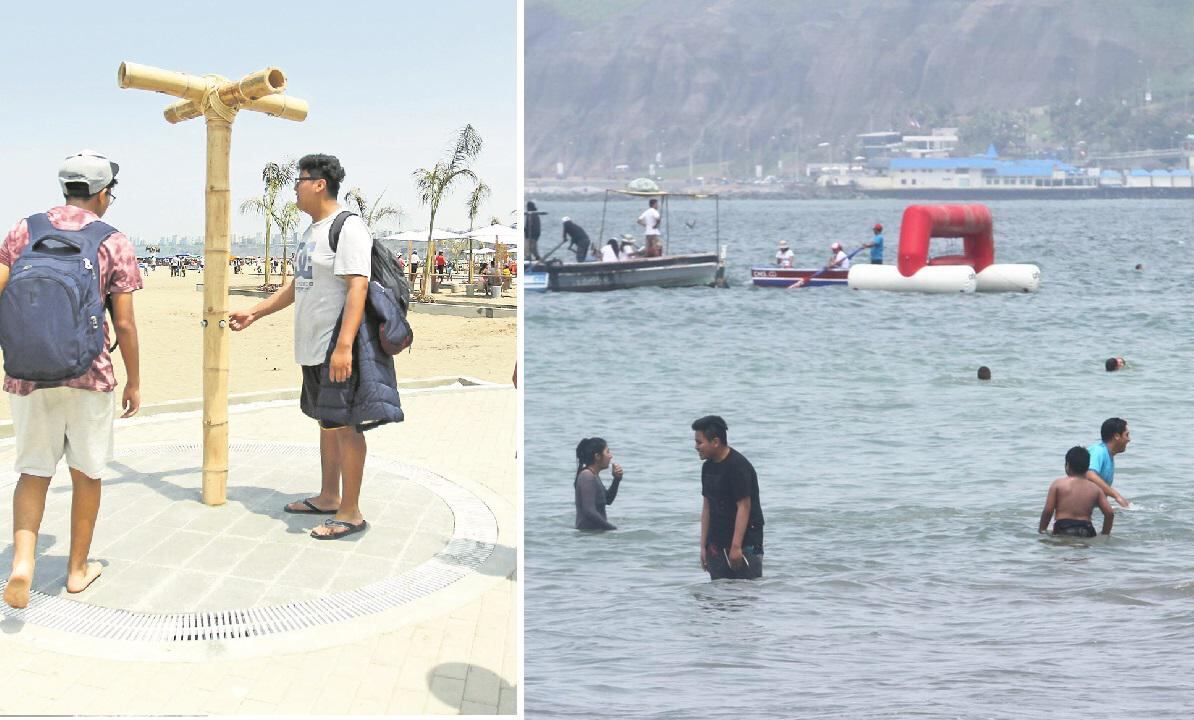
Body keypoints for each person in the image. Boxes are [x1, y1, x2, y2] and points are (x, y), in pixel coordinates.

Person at [230, 153, 402, 540]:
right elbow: (298, 285)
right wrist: (255, 312)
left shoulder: (348, 227)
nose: (295, 187)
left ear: (320, 184)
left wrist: (343, 347)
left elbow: (358, 287)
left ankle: (351, 512)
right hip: (312, 344)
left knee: (347, 426)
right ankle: (328, 496)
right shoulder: (312, 232)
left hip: (337, 345)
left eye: (300, 180)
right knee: (328, 422)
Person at [0, 151, 143, 608]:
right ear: (102, 194)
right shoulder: (113, 241)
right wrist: (134, 381)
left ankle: (23, 562)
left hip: (28, 375)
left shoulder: (24, 229)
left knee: (33, 471)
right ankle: (77, 570)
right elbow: (124, 324)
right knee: (87, 473)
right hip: (89, 374)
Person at [693, 415, 763, 580]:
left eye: (699, 442)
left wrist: (736, 547)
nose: (696, 447)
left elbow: (744, 507)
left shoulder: (738, 466)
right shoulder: (707, 467)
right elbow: (707, 507)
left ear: (715, 442)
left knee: (746, 592)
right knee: (718, 593)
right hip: (716, 542)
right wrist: (703, 547)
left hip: (745, 542)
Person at [1039, 446, 1114, 538]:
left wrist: (1042, 530)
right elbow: (1109, 513)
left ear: (1067, 465)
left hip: (1063, 528)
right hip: (1086, 529)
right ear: (1087, 467)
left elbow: (1048, 510)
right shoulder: (1095, 488)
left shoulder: (1058, 484)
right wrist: (1104, 533)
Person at [574, 437, 624, 531]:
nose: (610, 456)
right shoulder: (587, 476)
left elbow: (608, 500)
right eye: (607, 452)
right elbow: (589, 511)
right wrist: (613, 529)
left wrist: (617, 479)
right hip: (587, 536)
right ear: (597, 456)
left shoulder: (594, 475)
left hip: (594, 535)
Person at [1086, 417, 1131, 508]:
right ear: (1117, 436)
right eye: (1127, 435)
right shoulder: (1098, 451)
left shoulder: (1108, 455)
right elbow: (1090, 474)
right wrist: (1117, 496)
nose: (1129, 439)